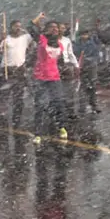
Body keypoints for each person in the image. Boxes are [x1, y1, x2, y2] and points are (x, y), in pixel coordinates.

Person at [28, 15, 78, 144]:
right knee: (40, 105)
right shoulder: (41, 39)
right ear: (46, 30)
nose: (55, 29)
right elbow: (30, 27)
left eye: (56, 27)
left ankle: (61, 127)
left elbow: (60, 62)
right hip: (40, 77)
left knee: (59, 103)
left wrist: (69, 69)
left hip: (54, 78)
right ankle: (38, 133)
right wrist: (38, 17)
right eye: (51, 27)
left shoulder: (61, 44)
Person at [74, 29, 102, 114]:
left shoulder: (92, 42)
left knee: (92, 85)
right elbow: (75, 53)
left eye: (86, 34)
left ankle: (94, 105)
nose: (84, 36)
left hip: (92, 66)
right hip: (81, 66)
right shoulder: (77, 43)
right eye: (83, 34)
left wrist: (90, 59)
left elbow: (96, 53)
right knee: (82, 86)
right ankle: (82, 105)